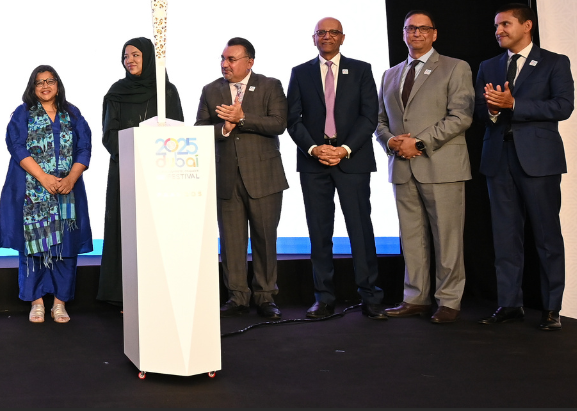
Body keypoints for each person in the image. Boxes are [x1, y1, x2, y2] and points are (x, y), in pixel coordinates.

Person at [475, 3, 573, 330]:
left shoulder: (554, 63)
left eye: (505, 24)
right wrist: (491, 109)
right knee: (505, 237)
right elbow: (480, 111)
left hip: (539, 161)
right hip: (497, 160)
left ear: (527, 25)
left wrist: (514, 104)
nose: (498, 31)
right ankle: (509, 303)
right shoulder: (489, 66)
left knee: (546, 237)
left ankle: (551, 308)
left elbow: (563, 106)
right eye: (496, 26)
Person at [375, 11, 474, 324]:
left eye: (422, 28)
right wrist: (391, 142)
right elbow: (379, 121)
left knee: (447, 238)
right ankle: (415, 297)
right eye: (409, 28)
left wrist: (417, 143)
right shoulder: (390, 74)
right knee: (411, 237)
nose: (415, 33)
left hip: (441, 166)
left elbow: (461, 117)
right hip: (402, 168)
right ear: (404, 34)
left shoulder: (455, 67)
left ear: (434, 34)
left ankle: (449, 301)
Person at [286, 18, 386, 319]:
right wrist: (316, 149)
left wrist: (343, 150)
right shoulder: (300, 72)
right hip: (313, 162)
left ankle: (371, 297)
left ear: (342, 38)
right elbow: (294, 119)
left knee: (360, 230)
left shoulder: (361, 69)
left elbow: (370, 117)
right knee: (319, 232)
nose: (326, 37)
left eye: (332, 32)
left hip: (352, 160)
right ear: (313, 38)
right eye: (321, 33)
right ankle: (324, 298)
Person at [196, 37, 289, 318]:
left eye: (231, 59)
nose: (225, 64)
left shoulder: (269, 85)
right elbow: (200, 129)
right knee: (231, 240)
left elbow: (278, 123)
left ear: (249, 61)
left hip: (264, 176)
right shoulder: (211, 90)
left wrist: (242, 118)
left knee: (264, 238)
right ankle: (237, 296)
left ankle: (265, 296)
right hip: (226, 177)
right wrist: (223, 128)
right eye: (223, 59)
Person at [0, 66, 92, 323]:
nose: (45, 86)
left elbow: (84, 146)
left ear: (58, 85)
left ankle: (59, 303)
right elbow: (15, 146)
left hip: (67, 191)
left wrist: (71, 178)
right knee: (32, 248)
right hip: (32, 191)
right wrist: (44, 178)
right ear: (32, 87)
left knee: (66, 247)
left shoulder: (72, 113)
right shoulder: (23, 113)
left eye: (50, 81)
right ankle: (36, 302)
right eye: (39, 82)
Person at [97, 37, 183, 307]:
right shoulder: (116, 92)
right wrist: (136, 154)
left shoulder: (167, 92)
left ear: (149, 58)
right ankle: (125, 297)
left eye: (135, 55)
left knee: (157, 234)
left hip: (160, 175)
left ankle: (158, 295)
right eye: (125, 56)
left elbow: (178, 130)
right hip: (126, 172)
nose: (130, 60)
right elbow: (109, 134)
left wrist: (153, 154)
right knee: (126, 232)